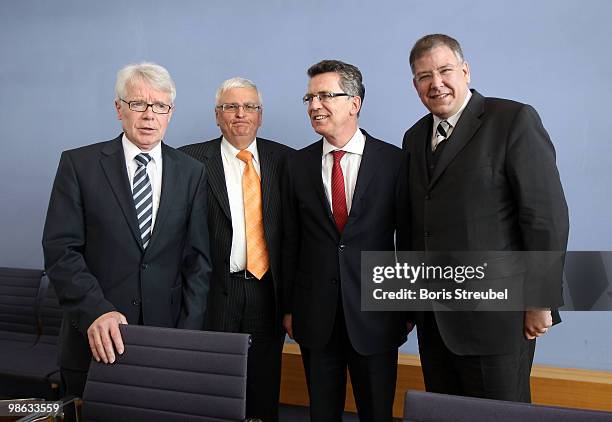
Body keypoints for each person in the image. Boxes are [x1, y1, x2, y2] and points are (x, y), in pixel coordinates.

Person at [401, 34, 569, 402]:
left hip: (498, 319)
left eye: (445, 70)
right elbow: (417, 225)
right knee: (443, 413)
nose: (436, 83)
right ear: (415, 85)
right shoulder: (413, 138)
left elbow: (545, 218)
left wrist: (540, 300)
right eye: (424, 76)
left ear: (465, 71)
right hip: (435, 321)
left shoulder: (513, 119)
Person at [42, 62, 211, 398]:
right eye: (138, 104)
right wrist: (96, 310)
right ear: (119, 108)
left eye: (160, 106)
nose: (150, 115)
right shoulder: (79, 165)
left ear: (170, 112)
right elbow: (61, 252)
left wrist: (185, 338)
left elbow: (198, 263)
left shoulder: (192, 172)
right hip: (94, 340)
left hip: (164, 345)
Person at [282, 60, 407, 422]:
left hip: (378, 314)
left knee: (377, 412)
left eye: (325, 95)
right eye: (309, 97)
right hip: (315, 317)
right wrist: (290, 308)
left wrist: (410, 307)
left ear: (354, 103)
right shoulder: (297, 165)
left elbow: (410, 236)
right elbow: (291, 240)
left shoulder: (395, 162)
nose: (314, 105)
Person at [180, 77, 291, 422]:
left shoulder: (286, 160)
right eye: (231, 106)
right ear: (217, 115)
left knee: (262, 387)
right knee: (211, 389)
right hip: (214, 292)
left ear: (260, 115)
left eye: (249, 107)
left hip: (266, 293)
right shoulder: (190, 161)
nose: (240, 114)